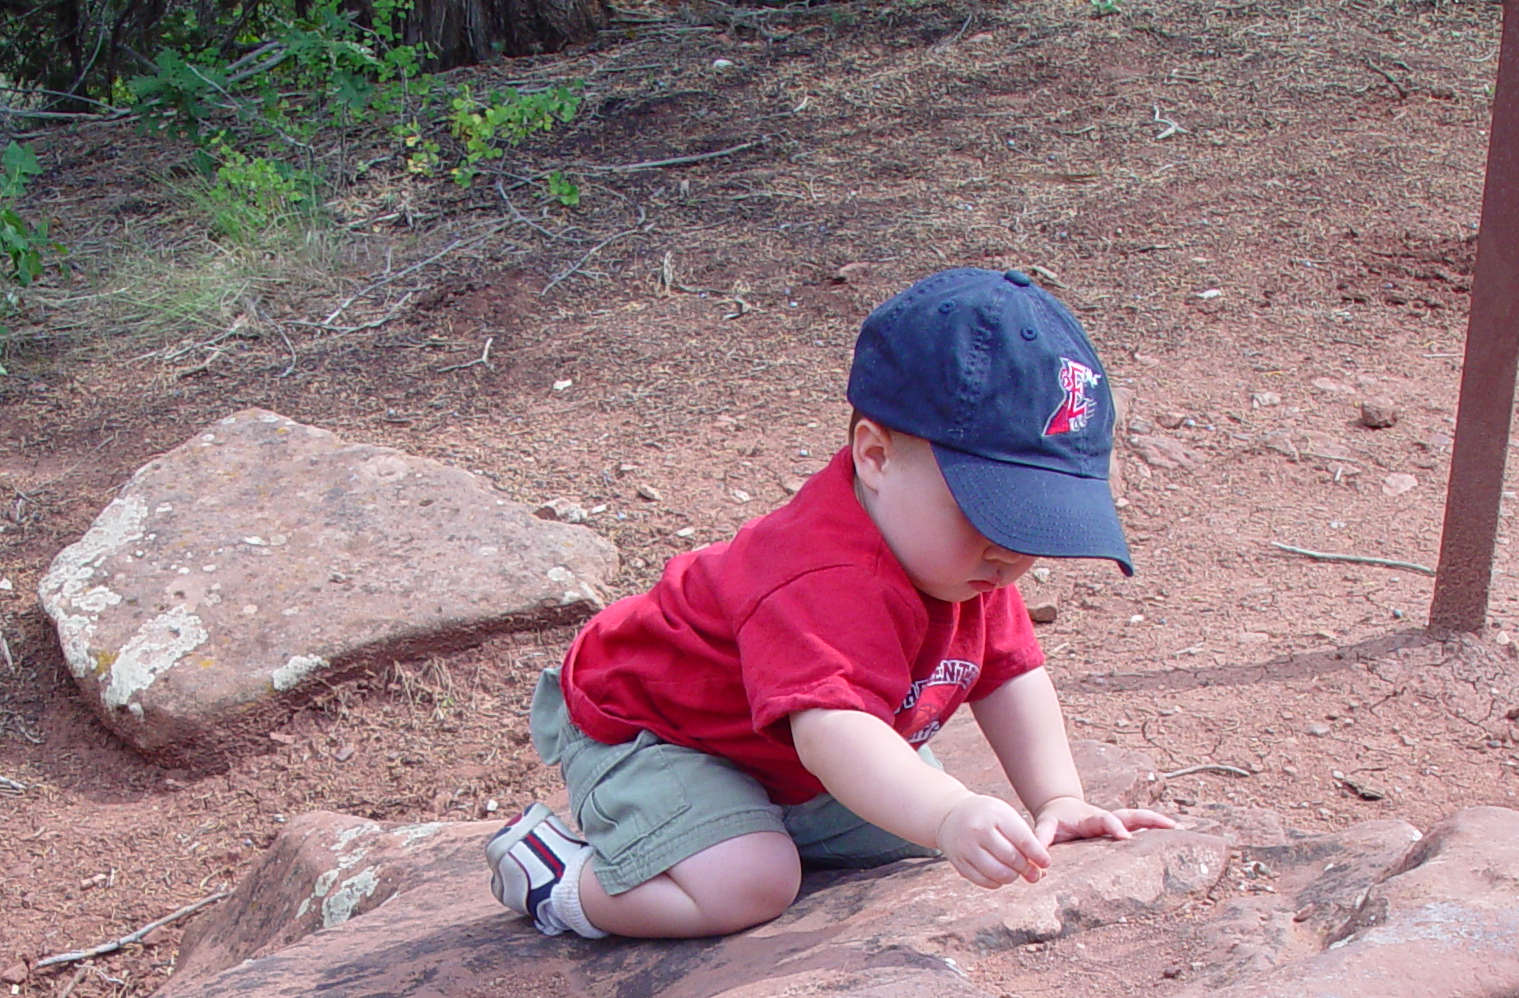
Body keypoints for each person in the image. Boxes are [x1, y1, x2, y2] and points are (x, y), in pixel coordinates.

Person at [489, 266, 1176, 941]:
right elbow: (830, 733)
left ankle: (746, 822)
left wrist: (1058, 798)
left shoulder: (969, 565)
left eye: (1035, 526)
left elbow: (1009, 670)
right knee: (751, 883)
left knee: (911, 826)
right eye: (988, 513)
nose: (1011, 555)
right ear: (874, 456)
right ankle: (559, 880)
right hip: (656, 731)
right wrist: (946, 814)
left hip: (776, 751)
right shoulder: (819, 573)